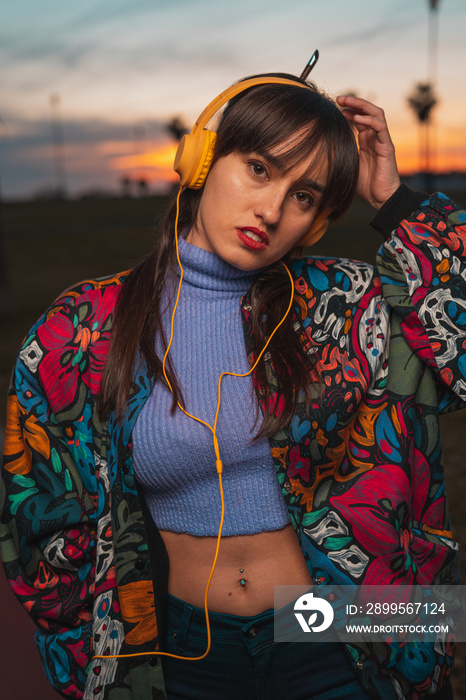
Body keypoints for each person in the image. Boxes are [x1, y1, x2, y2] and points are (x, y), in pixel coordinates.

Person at [0, 70, 464, 700]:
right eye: (259, 169)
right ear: (203, 159)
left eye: (304, 197)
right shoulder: (81, 329)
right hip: (181, 647)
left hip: (342, 627)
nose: (272, 210)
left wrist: (396, 202)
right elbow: (36, 517)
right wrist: (93, 645)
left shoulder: (347, 306)